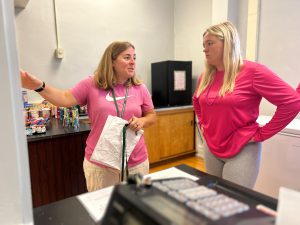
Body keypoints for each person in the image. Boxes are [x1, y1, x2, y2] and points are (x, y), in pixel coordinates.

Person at [21, 41, 156, 192]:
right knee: (102, 208)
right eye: (127, 57)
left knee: (137, 205)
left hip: (136, 162)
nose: (133, 62)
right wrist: (39, 86)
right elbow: (64, 98)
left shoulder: (140, 88)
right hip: (102, 165)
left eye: (134, 58)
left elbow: (152, 116)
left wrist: (142, 121)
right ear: (111, 61)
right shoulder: (91, 83)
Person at [193, 21, 300, 188]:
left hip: (242, 149)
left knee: (235, 204)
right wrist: (203, 124)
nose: (204, 49)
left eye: (210, 43)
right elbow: (196, 100)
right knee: (214, 196)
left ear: (227, 43)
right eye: (203, 44)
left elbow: (292, 102)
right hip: (212, 148)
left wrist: (261, 134)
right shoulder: (205, 76)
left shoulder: (253, 72)